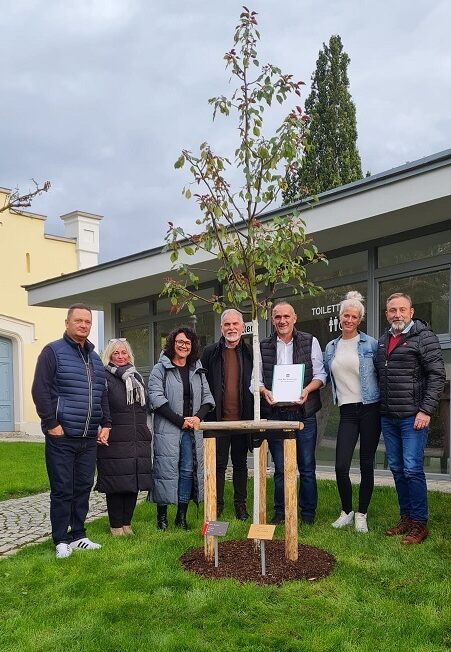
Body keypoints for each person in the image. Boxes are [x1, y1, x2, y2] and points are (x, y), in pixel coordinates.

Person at [31, 304, 111, 559]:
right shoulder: (52, 352)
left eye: (88, 321)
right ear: (67, 323)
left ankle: (78, 535)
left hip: (88, 438)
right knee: (63, 489)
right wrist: (51, 424)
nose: (84, 325)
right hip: (62, 437)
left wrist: (106, 423)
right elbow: (40, 390)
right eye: (79, 320)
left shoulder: (95, 358)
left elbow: (102, 394)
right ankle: (60, 539)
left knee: (83, 487)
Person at [376, 292, 445, 544]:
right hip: (388, 417)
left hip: (413, 417)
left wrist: (425, 410)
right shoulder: (383, 340)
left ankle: (419, 523)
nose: (397, 314)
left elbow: (437, 375)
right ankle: (405, 517)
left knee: (412, 468)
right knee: (397, 468)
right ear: (387, 314)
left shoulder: (424, 337)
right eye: (393, 310)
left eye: (402, 309)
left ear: (411, 312)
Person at [259, 301, 327, 525]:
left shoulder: (310, 341)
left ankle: (308, 514)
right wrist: (264, 391)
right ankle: (281, 512)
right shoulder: (263, 346)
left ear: (294, 318)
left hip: (304, 413)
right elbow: (255, 380)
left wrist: (307, 390)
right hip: (276, 414)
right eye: (278, 317)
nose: (282, 321)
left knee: (306, 466)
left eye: (286, 316)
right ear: (272, 320)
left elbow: (321, 375)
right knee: (280, 468)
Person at [324, 291, 380, 533]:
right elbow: (324, 376)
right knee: (341, 466)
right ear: (340, 317)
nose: (349, 320)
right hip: (347, 411)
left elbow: (381, 375)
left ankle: (361, 514)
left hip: (370, 409)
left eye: (354, 317)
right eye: (346, 315)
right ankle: (346, 511)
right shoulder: (331, 347)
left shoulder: (371, 344)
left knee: (366, 464)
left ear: (360, 319)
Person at [148, 326, 214, 530]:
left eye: (187, 342)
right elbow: (155, 397)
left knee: (187, 470)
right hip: (168, 429)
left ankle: (181, 517)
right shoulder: (160, 368)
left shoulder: (197, 368)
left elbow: (208, 398)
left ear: (192, 345)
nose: (183, 346)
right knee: (165, 470)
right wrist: (179, 420)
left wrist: (197, 418)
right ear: (172, 343)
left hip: (191, 431)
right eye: (180, 342)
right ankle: (162, 518)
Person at [95, 338, 153, 536]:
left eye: (124, 352)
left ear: (129, 355)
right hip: (115, 438)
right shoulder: (104, 377)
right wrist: (103, 427)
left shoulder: (136, 377)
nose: (120, 356)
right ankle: (115, 526)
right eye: (116, 353)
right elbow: (101, 406)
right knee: (116, 484)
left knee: (132, 483)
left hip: (137, 437)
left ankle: (127, 524)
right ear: (109, 356)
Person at [201, 309, 253, 520]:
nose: (231, 328)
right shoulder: (210, 352)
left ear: (242, 327)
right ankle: (217, 504)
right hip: (217, 420)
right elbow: (203, 385)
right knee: (218, 465)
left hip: (243, 420)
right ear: (221, 328)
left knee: (240, 465)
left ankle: (240, 505)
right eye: (227, 324)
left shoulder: (251, 352)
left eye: (235, 324)